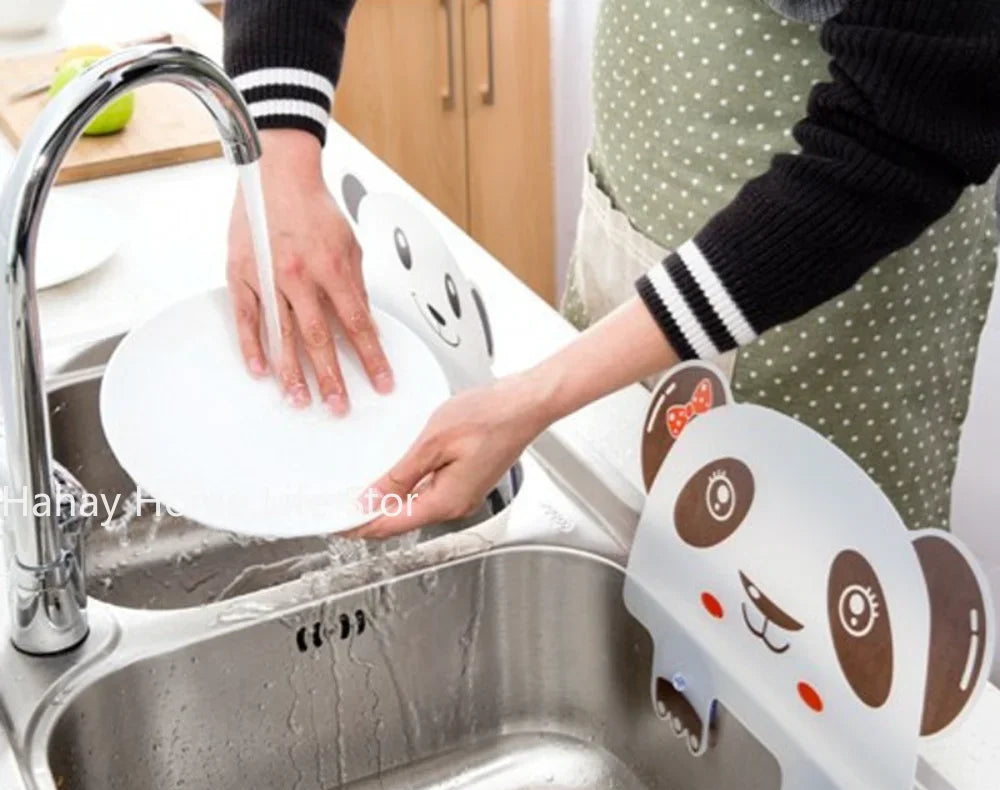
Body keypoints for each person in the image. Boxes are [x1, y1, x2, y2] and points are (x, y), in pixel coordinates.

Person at [224, 1, 1000, 538]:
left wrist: (542, 392)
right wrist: (277, 141)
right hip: (642, 204)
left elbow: (902, 122)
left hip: (838, 281)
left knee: (795, 635)